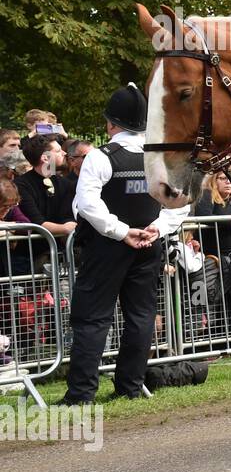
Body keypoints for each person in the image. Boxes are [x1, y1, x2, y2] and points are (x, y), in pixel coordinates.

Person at [58, 85, 190, 404]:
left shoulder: (100, 157)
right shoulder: (161, 157)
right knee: (141, 315)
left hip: (107, 247)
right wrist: (155, 229)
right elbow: (182, 202)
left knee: (92, 318)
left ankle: (81, 394)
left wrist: (120, 231)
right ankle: (129, 388)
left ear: (111, 124)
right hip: (147, 245)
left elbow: (87, 203)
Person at [15, 134, 76, 242]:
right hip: (30, 252)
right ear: (45, 158)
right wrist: (64, 228)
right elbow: (36, 222)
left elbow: (68, 216)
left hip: (61, 250)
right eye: (58, 151)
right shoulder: (21, 185)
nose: (64, 153)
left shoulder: (65, 183)